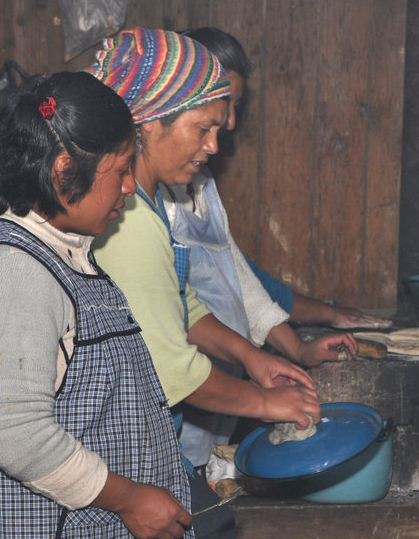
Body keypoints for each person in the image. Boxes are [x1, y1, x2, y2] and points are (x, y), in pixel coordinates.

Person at [89, 28, 354, 539]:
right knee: (208, 532)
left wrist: (256, 358)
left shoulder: (147, 201)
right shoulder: (132, 221)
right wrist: (265, 403)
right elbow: (169, 369)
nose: (216, 144)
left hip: (131, 434)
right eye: (204, 127)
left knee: (209, 525)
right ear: (148, 122)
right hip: (111, 443)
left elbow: (181, 302)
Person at [0, 71, 195, 539]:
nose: (129, 188)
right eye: (120, 171)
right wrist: (129, 498)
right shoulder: (12, 274)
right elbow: (19, 435)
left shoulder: (63, 249)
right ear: (62, 170)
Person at [162, 27, 391, 465]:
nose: (229, 123)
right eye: (220, 106)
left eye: (235, 106)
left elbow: (241, 281)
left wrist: (296, 349)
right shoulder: (149, 201)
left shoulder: (201, 184)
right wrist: (261, 397)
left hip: (219, 400)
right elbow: (175, 322)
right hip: (182, 400)